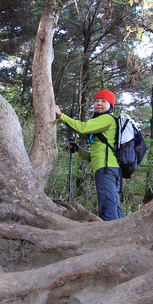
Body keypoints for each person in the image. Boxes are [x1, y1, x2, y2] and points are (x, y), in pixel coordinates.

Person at [55, 90, 124, 221]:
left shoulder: (107, 118)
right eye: (97, 101)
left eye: (104, 101)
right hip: (109, 167)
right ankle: (120, 235)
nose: (99, 103)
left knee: (108, 207)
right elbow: (94, 155)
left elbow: (83, 127)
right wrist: (78, 149)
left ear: (111, 105)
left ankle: (109, 238)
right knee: (113, 206)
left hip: (106, 168)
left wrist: (60, 115)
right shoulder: (102, 121)